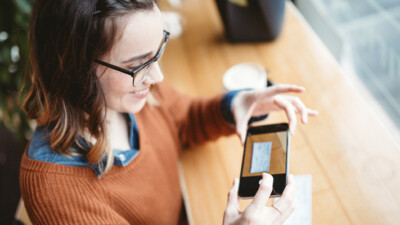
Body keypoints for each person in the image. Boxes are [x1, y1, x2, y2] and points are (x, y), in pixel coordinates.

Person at [20, 0, 318, 224]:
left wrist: (233, 106)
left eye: (158, 51)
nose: (158, 77)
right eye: (138, 64)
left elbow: (184, 119)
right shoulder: (56, 193)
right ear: (74, 68)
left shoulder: (130, 94)